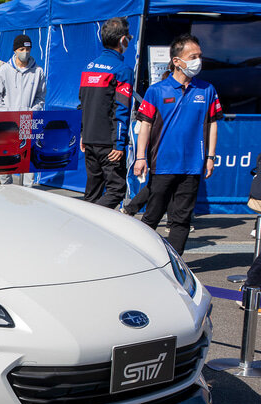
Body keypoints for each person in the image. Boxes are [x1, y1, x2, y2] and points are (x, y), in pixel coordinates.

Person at [134, 34, 222, 256]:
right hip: (162, 164)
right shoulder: (156, 91)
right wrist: (140, 157)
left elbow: (212, 124)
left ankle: (174, 265)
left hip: (192, 165)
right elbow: (144, 126)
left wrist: (210, 157)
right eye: (193, 56)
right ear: (176, 61)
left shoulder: (207, 90)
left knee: (181, 219)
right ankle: (140, 258)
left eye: (199, 56)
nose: (198, 61)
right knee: (152, 216)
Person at [79, 17, 134, 209]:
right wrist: (119, 144)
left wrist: (83, 134)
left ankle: (85, 226)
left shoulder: (89, 68)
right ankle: (91, 221)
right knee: (116, 189)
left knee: (93, 191)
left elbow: (83, 104)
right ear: (122, 40)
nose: (130, 40)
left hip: (90, 139)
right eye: (129, 37)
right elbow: (122, 108)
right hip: (109, 143)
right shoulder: (122, 69)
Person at [0, 34, 46, 186]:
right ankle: (5, 188)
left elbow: (41, 97)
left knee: (27, 156)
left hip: (28, 119)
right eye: (22, 49)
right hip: (8, 121)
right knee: (6, 154)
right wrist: (5, 112)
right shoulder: (5, 70)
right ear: (15, 50)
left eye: (28, 49)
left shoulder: (38, 71)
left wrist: (33, 110)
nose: (25, 52)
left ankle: (28, 190)